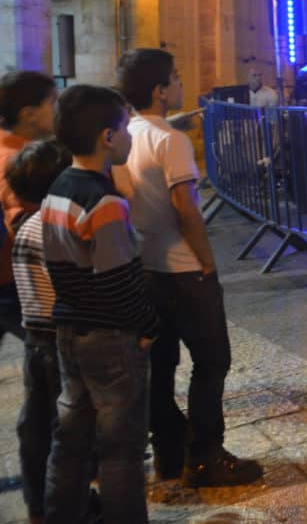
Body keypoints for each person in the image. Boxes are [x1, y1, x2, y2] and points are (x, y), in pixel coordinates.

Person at [113, 48, 263, 488]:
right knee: (212, 362)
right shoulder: (170, 139)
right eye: (175, 78)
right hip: (181, 269)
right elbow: (187, 209)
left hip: (144, 268)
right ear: (160, 91)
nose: (181, 85)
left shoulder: (127, 134)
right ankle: (206, 457)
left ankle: (168, 452)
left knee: (160, 365)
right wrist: (207, 262)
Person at [42, 85, 158, 523]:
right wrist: (148, 324)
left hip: (70, 331)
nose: (130, 137)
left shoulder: (58, 188)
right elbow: (117, 281)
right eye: (126, 129)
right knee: (122, 450)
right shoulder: (105, 201)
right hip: (111, 338)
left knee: (69, 443)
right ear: (107, 137)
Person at [6, 140, 71, 524]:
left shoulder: (27, 225)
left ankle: (44, 506)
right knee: (65, 431)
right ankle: (63, 507)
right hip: (56, 338)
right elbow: (69, 290)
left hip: (35, 340)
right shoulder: (50, 228)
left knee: (42, 422)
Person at [0, 71, 57, 348]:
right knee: (51, 353)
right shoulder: (16, 162)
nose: (57, 111)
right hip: (12, 279)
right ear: (29, 114)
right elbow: (22, 222)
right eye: (53, 103)